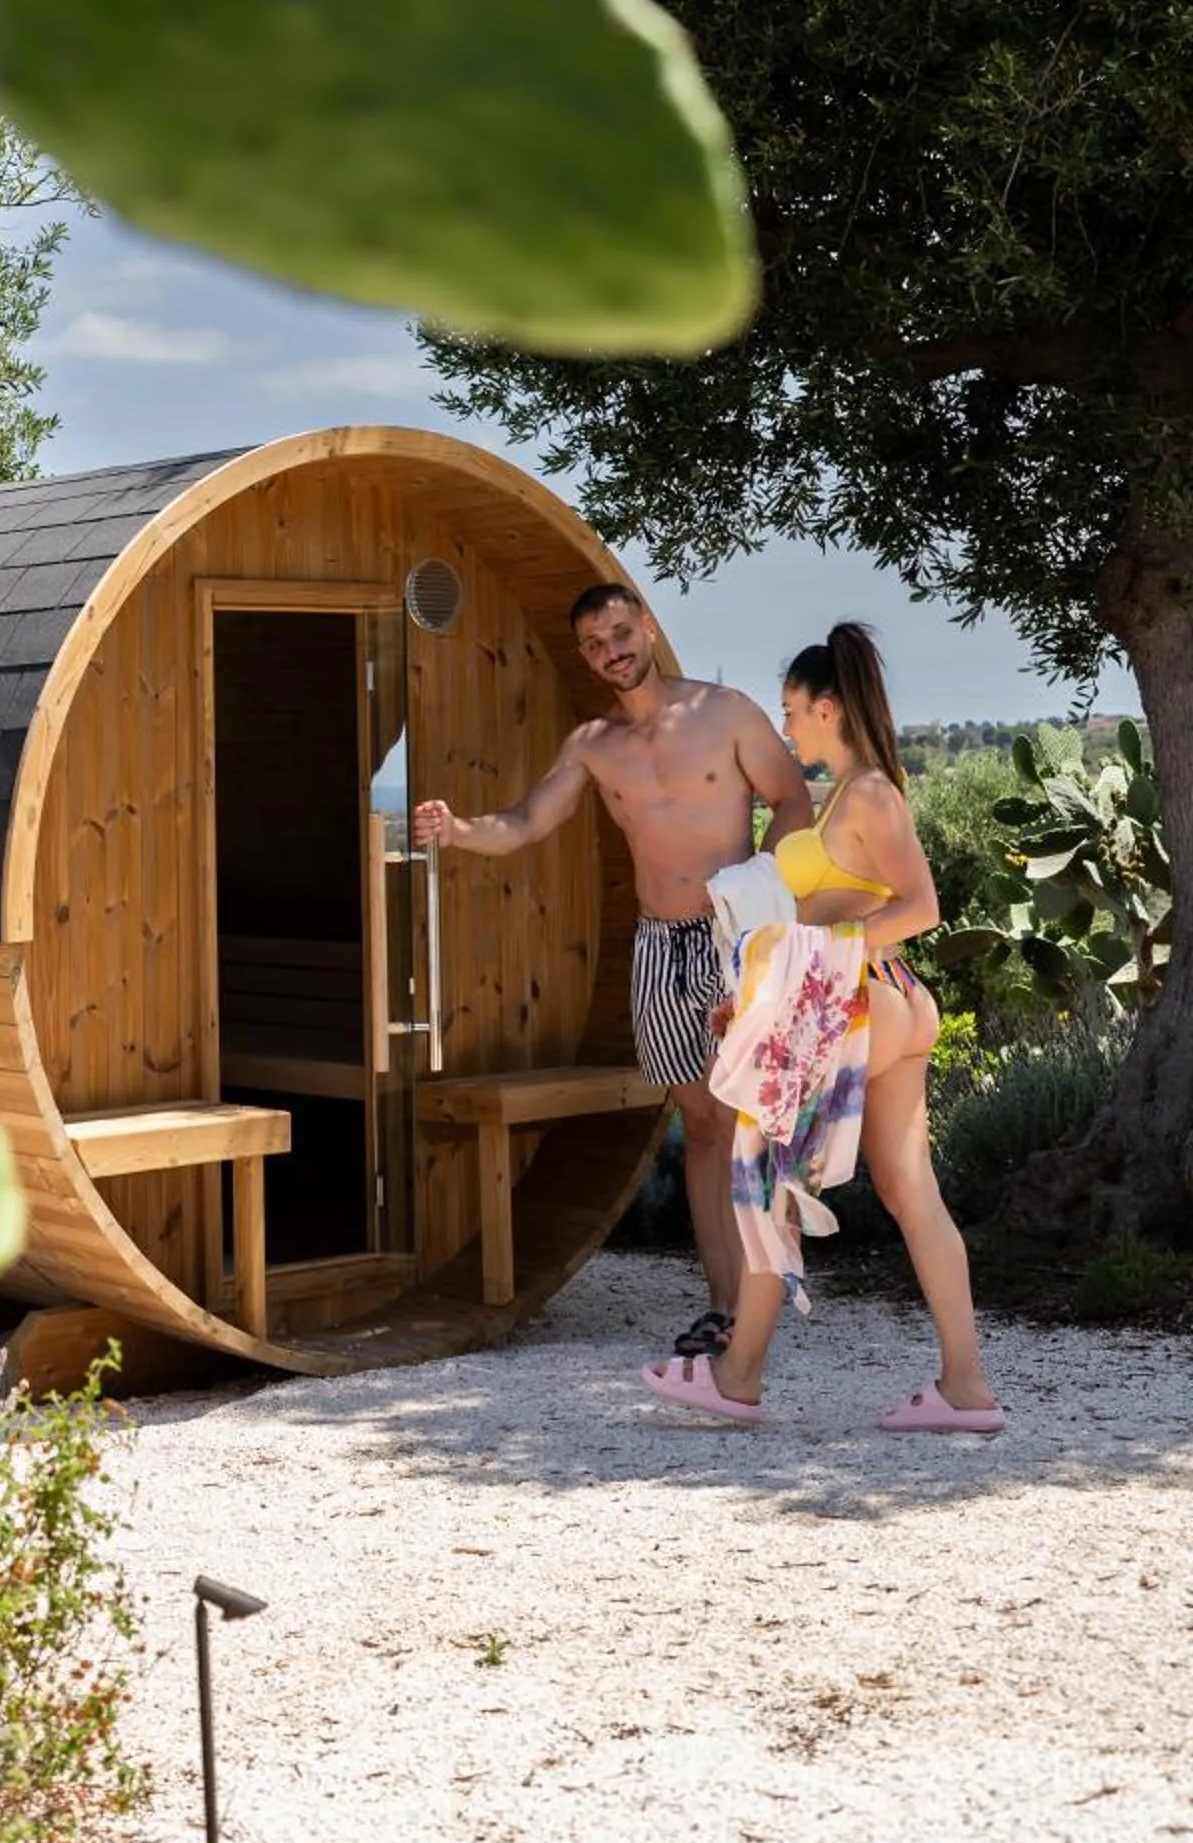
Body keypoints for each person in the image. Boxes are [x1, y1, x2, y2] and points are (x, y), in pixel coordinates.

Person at [413, 581, 812, 1354]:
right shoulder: (594, 744)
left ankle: (766, 1291)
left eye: (621, 634)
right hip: (657, 947)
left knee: (739, 1121)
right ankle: (724, 1306)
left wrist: (759, 890)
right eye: (595, 645)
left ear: (648, 627)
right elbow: (526, 822)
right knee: (701, 1127)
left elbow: (793, 801)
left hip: (732, 935)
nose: (612, 652)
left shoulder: (725, 713)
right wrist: (458, 829)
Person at [641, 621, 1004, 1431]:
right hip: (877, 1003)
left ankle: (738, 1377)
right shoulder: (848, 794)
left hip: (858, 1004)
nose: (786, 727)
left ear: (828, 709)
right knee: (910, 1193)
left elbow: (921, 907)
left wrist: (820, 952)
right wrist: (769, 980)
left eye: (791, 710)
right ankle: (966, 1389)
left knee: (768, 1183)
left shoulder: (869, 793)